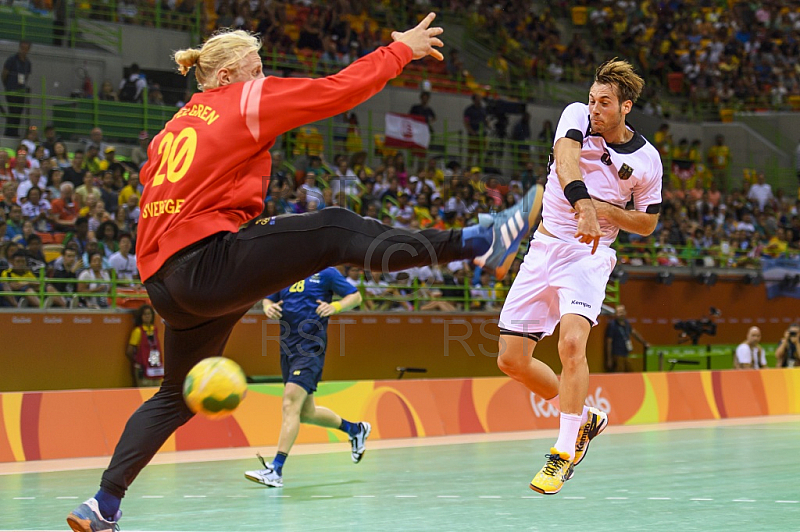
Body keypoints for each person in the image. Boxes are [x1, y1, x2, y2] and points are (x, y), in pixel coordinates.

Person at [67, 15, 544, 531]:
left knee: (175, 396)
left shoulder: (170, 131)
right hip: (208, 263)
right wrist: (400, 51)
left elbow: (157, 192)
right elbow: (335, 91)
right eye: (255, 69)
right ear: (226, 76)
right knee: (335, 227)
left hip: (165, 285)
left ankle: (102, 504)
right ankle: (479, 240)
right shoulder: (244, 100)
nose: (262, 76)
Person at [495, 59, 662, 495]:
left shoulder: (647, 160)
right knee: (511, 360)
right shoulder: (575, 116)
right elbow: (566, 161)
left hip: (589, 256)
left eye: (604, 103)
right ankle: (586, 418)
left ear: (626, 107)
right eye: (592, 99)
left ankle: (562, 453)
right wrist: (583, 204)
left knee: (571, 343)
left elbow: (647, 224)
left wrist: (606, 212)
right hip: (544, 247)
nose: (594, 109)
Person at [244, 267, 365, 488]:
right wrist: (268, 308)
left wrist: (336, 306)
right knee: (306, 413)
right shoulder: (284, 272)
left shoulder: (326, 272)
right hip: (287, 348)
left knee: (290, 402)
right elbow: (267, 301)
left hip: (310, 348)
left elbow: (356, 296)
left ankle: (276, 469)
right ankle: (355, 430)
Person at [126, 304, 164, 387]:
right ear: (141, 316)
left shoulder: (154, 329)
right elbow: (129, 351)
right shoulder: (138, 331)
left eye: (149, 314)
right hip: (142, 368)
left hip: (154, 366)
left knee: (156, 390)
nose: (147, 316)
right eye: (145, 314)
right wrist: (139, 361)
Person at [604, 304, 648, 372]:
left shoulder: (626, 323)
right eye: (618, 312)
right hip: (617, 354)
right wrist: (609, 359)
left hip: (626, 353)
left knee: (631, 371)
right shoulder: (613, 325)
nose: (620, 314)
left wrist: (644, 343)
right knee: (619, 372)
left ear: (625, 312)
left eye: (621, 312)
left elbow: (634, 333)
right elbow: (609, 342)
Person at [2, 41, 32, 137]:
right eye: (22, 48)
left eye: (26, 48)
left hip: (21, 91)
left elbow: (26, 76)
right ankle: (9, 133)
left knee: (19, 111)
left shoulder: (28, 63)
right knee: (13, 111)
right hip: (11, 90)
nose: (23, 50)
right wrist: (8, 86)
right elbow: (4, 74)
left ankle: (15, 132)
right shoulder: (12, 59)